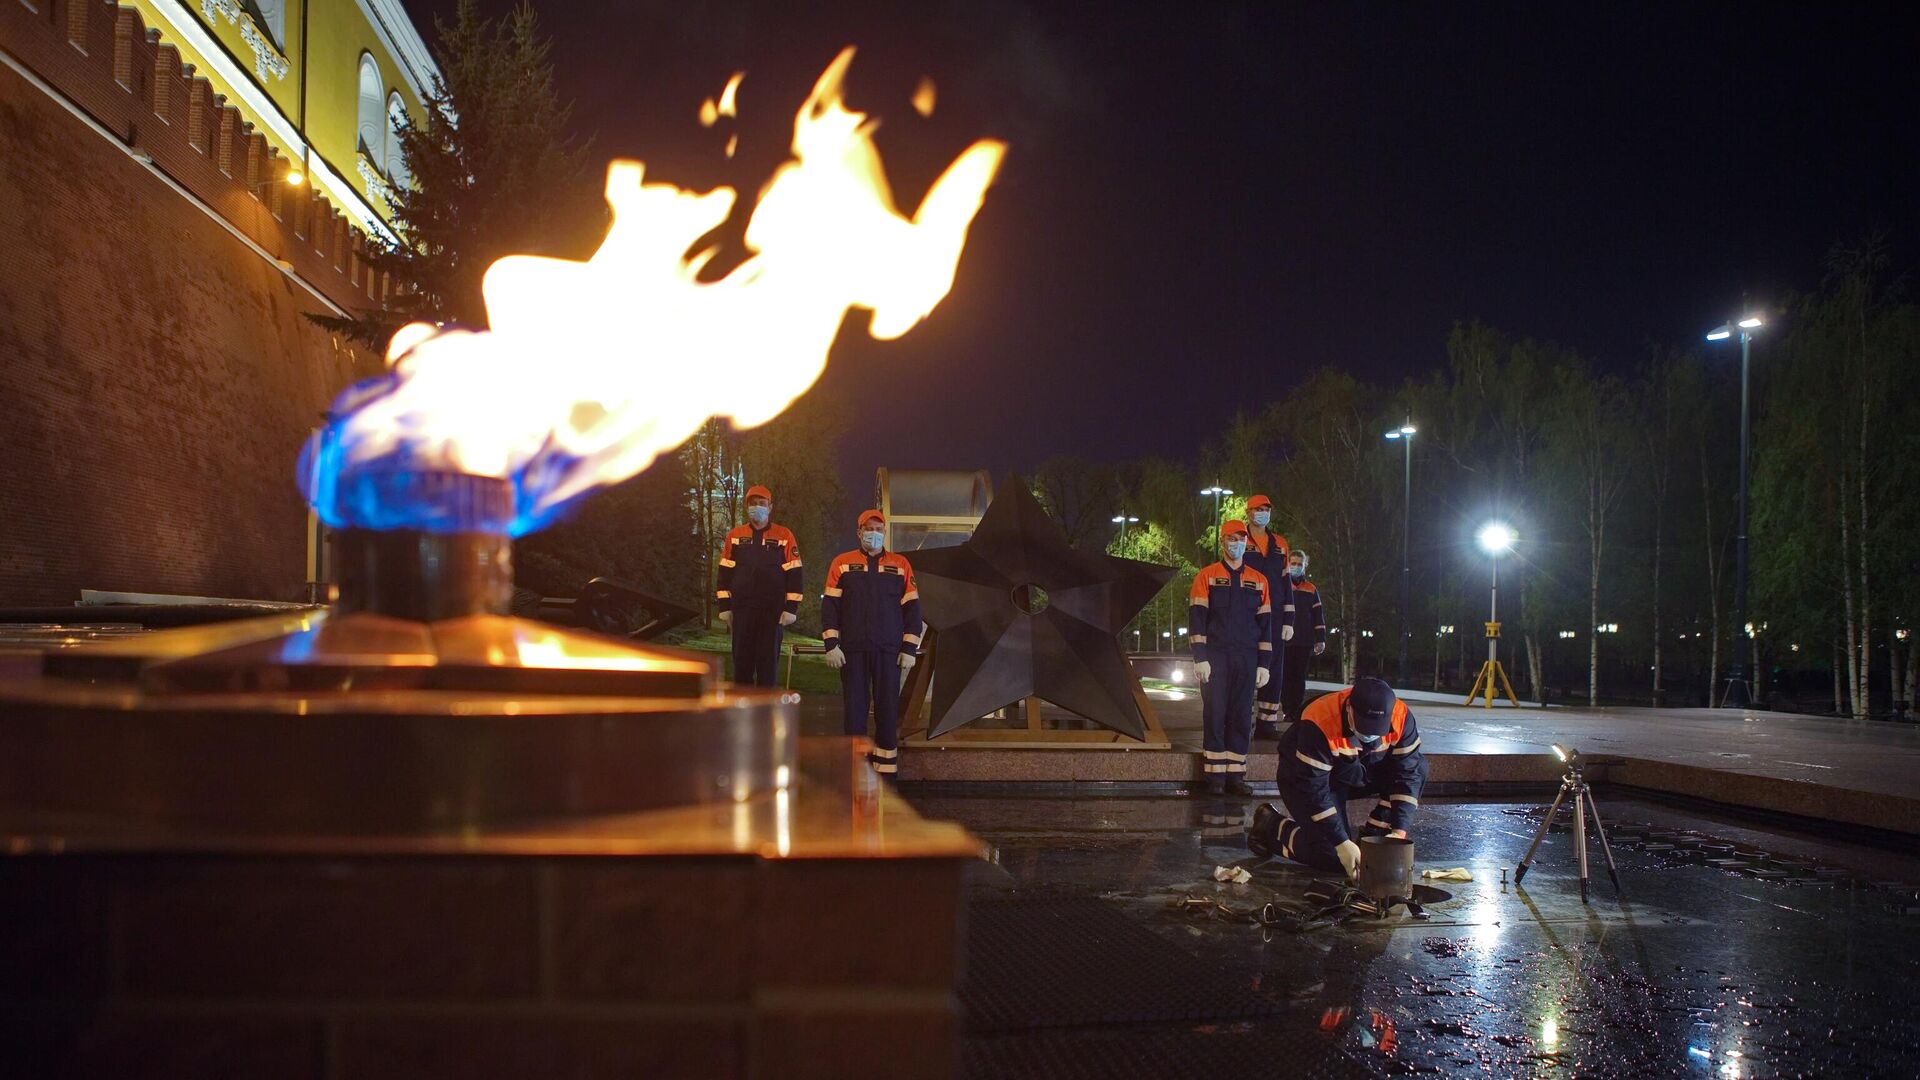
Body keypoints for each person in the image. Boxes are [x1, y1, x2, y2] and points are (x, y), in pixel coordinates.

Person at [1246, 677, 1427, 880]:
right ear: (1349, 708)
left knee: (1419, 766)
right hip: (1307, 778)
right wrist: (1341, 842)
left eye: (1377, 730)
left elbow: (1408, 775)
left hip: (1359, 769)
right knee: (1334, 857)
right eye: (1364, 727)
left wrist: (1398, 833)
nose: (1370, 735)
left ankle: (1374, 834)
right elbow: (1314, 791)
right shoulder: (1319, 719)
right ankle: (1270, 826)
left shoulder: (1401, 716)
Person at [821, 510, 923, 777]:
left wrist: (909, 648)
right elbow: (830, 606)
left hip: (889, 653)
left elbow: (912, 609)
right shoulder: (842, 564)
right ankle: (856, 772)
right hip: (853, 651)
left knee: (887, 711)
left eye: (879, 529)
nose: (874, 534)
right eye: (869, 528)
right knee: (854, 712)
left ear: (885, 533)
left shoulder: (901, 565)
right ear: (859, 531)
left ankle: (886, 775)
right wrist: (831, 644)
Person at [1188, 519, 1277, 796]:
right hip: (1215, 656)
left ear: (1246, 543)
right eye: (1230, 538)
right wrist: (1200, 657)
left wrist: (1264, 664)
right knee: (1215, 713)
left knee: (1240, 715)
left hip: (1247, 657)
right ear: (1222, 542)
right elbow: (1197, 620)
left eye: (1240, 539)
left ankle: (1236, 776)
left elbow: (1266, 626)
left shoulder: (1259, 580)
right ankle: (1215, 778)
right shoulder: (1207, 576)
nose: (1235, 543)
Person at [715, 485, 804, 687]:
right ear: (747, 507)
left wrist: (791, 608)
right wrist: (724, 607)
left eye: (762, 504)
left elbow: (795, 573)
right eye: (753, 504)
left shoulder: (784, 535)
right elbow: (724, 573)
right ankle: (742, 715)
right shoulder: (735, 535)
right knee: (741, 668)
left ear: (770, 507)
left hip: (771, 613)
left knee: (768, 668)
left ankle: (765, 715)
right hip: (742, 611)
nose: (758, 507)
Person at [1242, 494, 1295, 739]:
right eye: (1258, 509)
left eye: (1266, 509)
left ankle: (1267, 723)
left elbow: (1286, 584)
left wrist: (1289, 620)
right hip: (1247, 615)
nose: (1262, 513)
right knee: (1246, 665)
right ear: (1248, 512)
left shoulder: (1280, 544)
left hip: (1274, 616)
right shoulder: (1240, 540)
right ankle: (1242, 718)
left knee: (1273, 668)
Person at [1279, 548, 1328, 727]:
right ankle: (1286, 709)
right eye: (1293, 563)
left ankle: (1295, 710)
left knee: (1299, 678)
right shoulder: (1281, 587)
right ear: (1288, 564)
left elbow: (1318, 615)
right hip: (1284, 640)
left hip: (1304, 642)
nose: (1296, 567)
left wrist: (1320, 638)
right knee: (1285, 676)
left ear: (1305, 566)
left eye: (1300, 564)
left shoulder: (1310, 589)